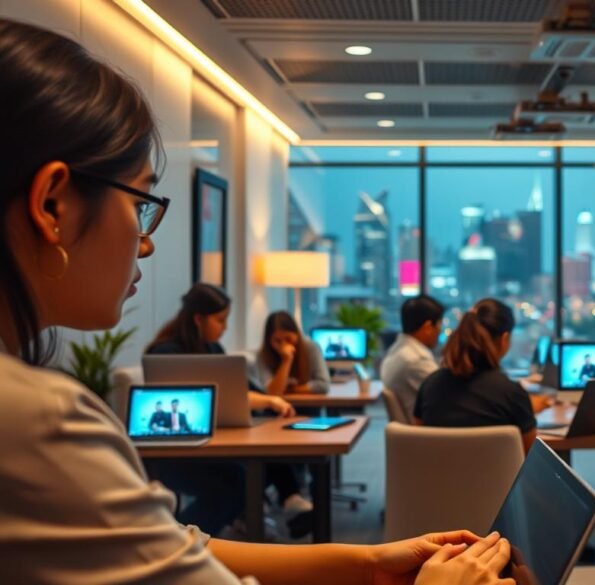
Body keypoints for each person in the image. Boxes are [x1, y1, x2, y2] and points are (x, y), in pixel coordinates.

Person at [0, 18, 510, 584]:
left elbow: (178, 547)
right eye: (141, 203)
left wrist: (369, 561)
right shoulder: (34, 422)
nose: (146, 241)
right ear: (52, 206)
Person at [147, 284, 315, 538]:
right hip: (176, 452)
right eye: (220, 320)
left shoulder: (212, 349)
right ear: (198, 319)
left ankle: (281, 507)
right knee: (239, 480)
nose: (224, 327)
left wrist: (269, 401)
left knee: (264, 459)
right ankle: (176, 540)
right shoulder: (167, 353)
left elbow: (237, 392)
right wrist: (270, 401)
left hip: (210, 442)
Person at [414, 299, 550, 454]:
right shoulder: (511, 393)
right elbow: (531, 460)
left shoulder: (429, 386)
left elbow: (418, 446)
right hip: (499, 479)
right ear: (505, 339)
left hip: (436, 478)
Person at [381, 295, 444, 418]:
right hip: (427, 433)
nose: (439, 332)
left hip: (415, 431)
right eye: (439, 326)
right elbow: (449, 396)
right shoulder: (416, 361)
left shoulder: (397, 351)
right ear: (428, 327)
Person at [254, 311, 330, 396]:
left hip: (309, 407)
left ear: (297, 334)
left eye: (288, 339)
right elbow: (272, 392)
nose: (284, 346)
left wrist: (290, 389)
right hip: (274, 408)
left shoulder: (311, 348)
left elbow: (323, 385)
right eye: (277, 341)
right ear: (269, 341)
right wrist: (286, 360)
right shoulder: (262, 355)